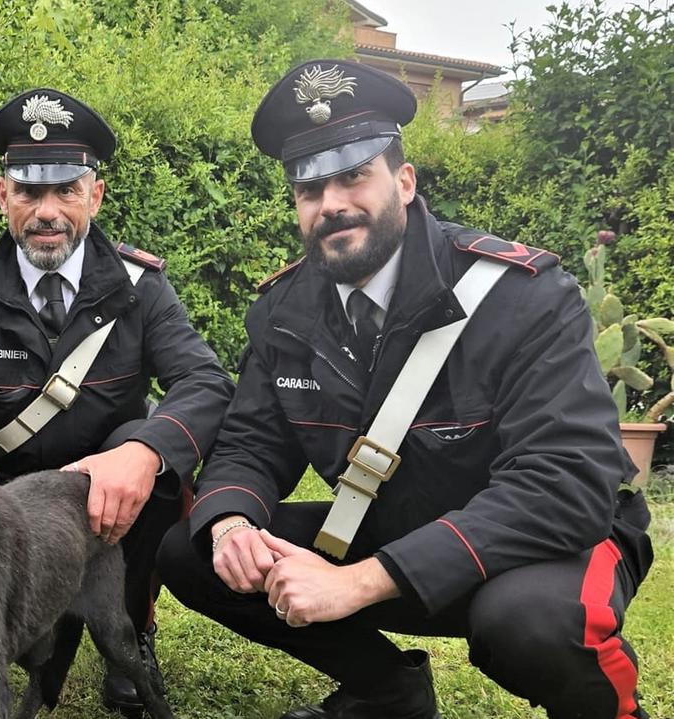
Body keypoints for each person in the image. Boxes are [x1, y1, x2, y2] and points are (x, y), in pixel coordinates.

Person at [158, 60, 654, 719]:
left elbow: (563, 483)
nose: (330, 202)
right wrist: (230, 526)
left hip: (547, 543)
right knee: (187, 550)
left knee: (527, 622)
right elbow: (252, 438)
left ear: (405, 180)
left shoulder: (522, 295)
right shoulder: (283, 309)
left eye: (352, 175)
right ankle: (389, 693)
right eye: (309, 188)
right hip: (394, 525)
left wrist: (358, 582)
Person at [0, 88, 234, 714]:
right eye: (30, 192)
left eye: (66, 190)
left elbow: (204, 383)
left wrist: (142, 450)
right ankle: (25, 617)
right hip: (10, 489)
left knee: (160, 477)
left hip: (109, 492)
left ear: (95, 194)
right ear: (4, 195)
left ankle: (131, 633)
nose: (47, 212)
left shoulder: (142, 289)